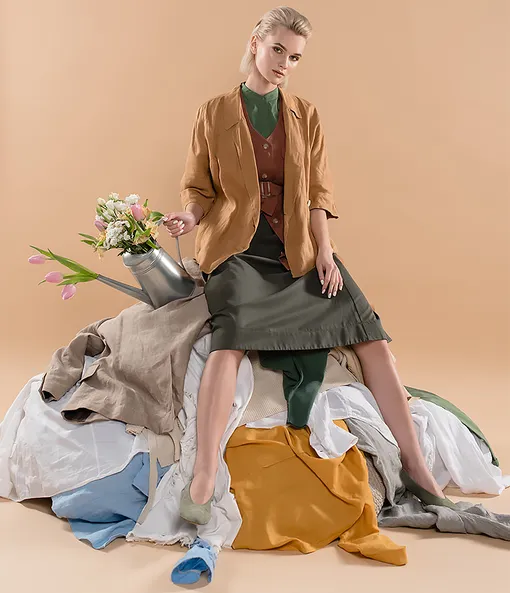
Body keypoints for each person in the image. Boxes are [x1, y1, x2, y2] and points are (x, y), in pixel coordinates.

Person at [163, 6, 452, 526]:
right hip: (237, 251)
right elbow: (198, 186)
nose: (284, 64)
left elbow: (318, 193)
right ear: (256, 43)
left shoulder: (306, 115)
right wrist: (189, 215)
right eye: (278, 50)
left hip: (295, 249)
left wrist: (324, 252)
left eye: (295, 57)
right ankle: (203, 475)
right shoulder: (213, 112)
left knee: (372, 338)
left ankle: (416, 468)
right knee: (229, 342)